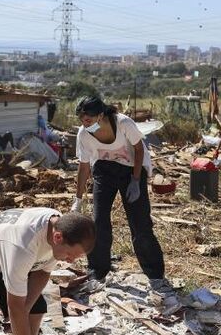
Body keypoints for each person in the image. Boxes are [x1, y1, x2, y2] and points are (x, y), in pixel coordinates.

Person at [71, 95, 168, 290]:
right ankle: (97, 271)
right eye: (81, 120)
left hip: (132, 169)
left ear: (100, 115)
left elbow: (139, 149)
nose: (84, 123)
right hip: (104, 170)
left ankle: (156, 275)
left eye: (88, 119)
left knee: (140, 224)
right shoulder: (84, 134)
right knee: (99, 222)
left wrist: (135, 180)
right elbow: (84, 167)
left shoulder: (123, 122)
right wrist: (78, 199)